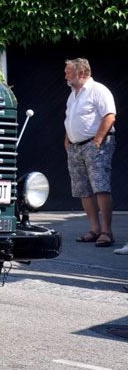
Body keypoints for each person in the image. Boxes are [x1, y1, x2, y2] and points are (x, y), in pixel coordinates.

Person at [64, 58, 117, 247]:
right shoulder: (73, 95)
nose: (65, 75)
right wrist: (68, 139)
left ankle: (107, 232)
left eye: (68, 72)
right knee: (83, 190)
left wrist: (97, 141)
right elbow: (70, 119)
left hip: (95, 146)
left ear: (81, 73)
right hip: (76, 148)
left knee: (100, 187)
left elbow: (110, 116)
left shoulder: (99, 90)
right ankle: (94, 229)